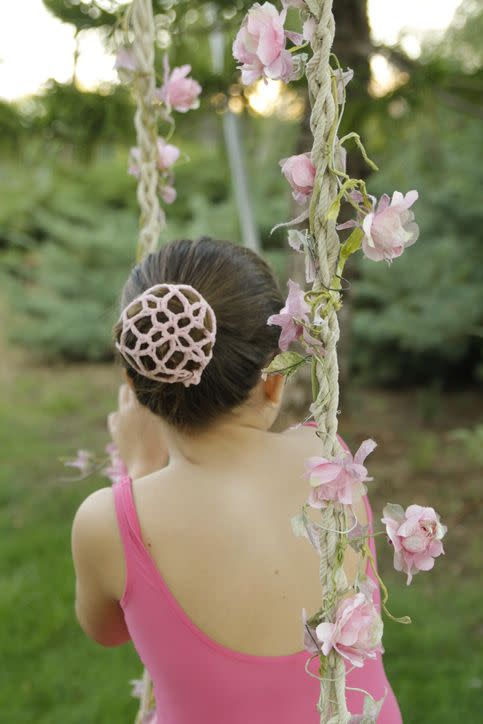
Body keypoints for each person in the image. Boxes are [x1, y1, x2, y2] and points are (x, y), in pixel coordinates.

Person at [71, 236, 402, 723]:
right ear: (272, 379)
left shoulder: (110, 524)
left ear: (134, 382)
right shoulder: (329, 461)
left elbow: (106, 629)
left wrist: (138, 473)